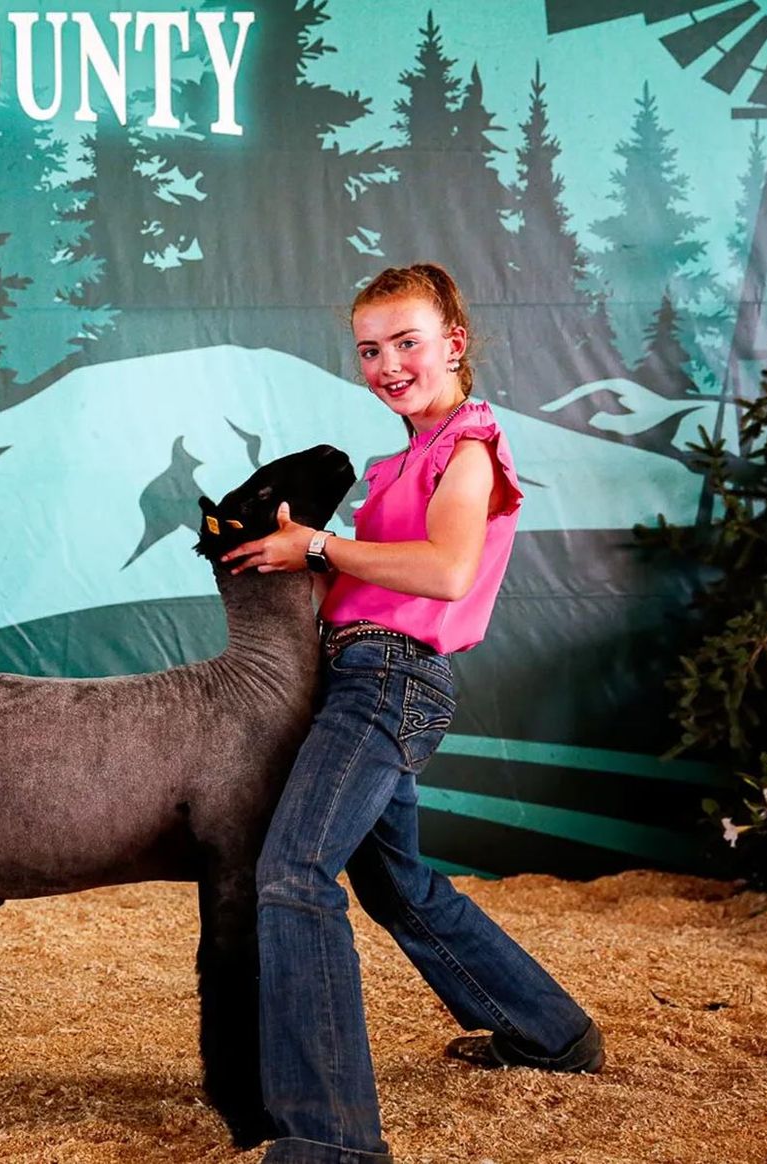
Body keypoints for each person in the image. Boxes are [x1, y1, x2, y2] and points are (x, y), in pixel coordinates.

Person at [221, 263, 603, 1163]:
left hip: (388, 683)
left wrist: (318, 544)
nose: (388, 364)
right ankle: (550, 1031)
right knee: (398, 884)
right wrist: (297, 558)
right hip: (361, 673)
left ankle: (332, 1141)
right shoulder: (403, 460)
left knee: (294, 874)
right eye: (369, 349)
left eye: (407, 343)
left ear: (454, 345)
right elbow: (366, 578)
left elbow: (447, 573)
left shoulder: (468, 450)